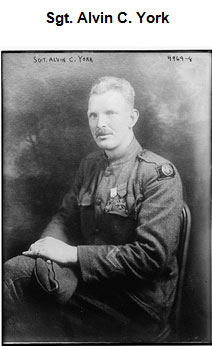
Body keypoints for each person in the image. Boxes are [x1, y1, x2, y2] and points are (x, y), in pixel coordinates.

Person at [3, 76, 183, 343]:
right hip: (90, 285)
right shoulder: (90, 165)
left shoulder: (158, 175)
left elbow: (150, 258)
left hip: (134, 303)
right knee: (15, 273)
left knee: (19, 296)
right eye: (93, 115)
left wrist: (72, 255)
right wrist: (46, 251)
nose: (100, 124)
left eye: (111, 113)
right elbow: (65, 218)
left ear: (132, 117)